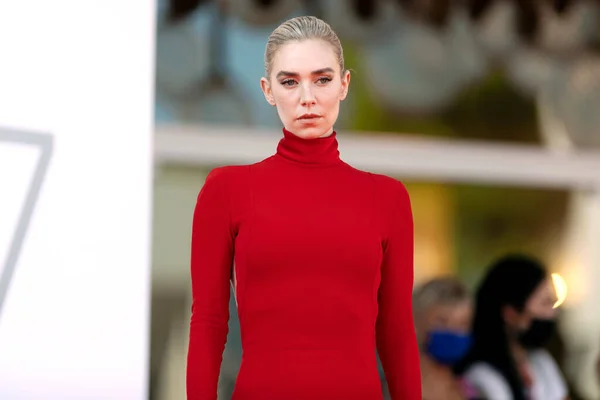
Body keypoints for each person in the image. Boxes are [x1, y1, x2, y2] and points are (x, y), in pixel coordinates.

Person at [186, 15, 421, 400]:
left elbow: (396, 332)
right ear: (268, 90)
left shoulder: (388, 198)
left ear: (344, 84)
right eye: (290, 81)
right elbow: (209, 322)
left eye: (322, 79)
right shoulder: (226, 190)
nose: (307, 97)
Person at [458, 254, 568, 400]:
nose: (553, 312)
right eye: (545, 303)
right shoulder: (481, 376)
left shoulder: (541, 362)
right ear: (510, 314)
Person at [412, 277, 479, 400]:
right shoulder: (390, 391)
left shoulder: (474, 393)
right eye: (441, 322)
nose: (453, 331)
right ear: (416, 323)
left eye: (463, 324)